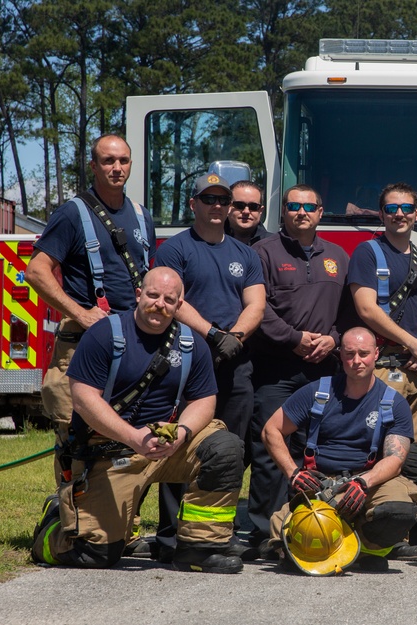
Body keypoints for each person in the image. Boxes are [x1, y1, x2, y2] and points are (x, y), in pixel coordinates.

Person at [31, 268, 244, 574]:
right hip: (107, 450)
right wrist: (133, 438)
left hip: (163, 442)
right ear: (138, 295)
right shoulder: (104, 335)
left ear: (179, 304)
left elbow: (204, 400)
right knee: (96, 555)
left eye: (169, 299)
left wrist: (182, 433)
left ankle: (200, 547)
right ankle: (52, 526)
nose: (160, 304)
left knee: (223, 447)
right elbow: (84, 399)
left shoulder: (190, 343)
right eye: (153, 295)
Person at [28, 134, 156, 484]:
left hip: (131, 345)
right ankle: (72, 524)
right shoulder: (73, 213)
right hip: (85, 344)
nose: (117, 168)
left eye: (123, 161)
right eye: (107, 161)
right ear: (93, 166)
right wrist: (82, 313)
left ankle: (116, 529)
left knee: (124, 441)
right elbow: (36, 271)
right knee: (78, 438)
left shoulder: (143, 216)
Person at [153, 173, 265, 558]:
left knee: (229, 449)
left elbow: (256, 303)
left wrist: (234, 338)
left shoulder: (245, 253)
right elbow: (171, 299)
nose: (217, 206)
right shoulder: (175, 248)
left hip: (236, 363)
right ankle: (170, 536)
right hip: (185, 362)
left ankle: (215, 531)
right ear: (193, 204)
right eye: (208, 199)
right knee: (178, 443)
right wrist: (214, 335)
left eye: (223, 200)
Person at [262, 327, 417, 572]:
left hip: (366, 483)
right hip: (321, 485)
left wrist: (363, 482)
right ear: (340, 355)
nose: (356, 361)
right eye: (349, 354)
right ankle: (302, 544)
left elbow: (395, 459)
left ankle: (367, 551)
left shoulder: (394, 403)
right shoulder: (318, 392)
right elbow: (271, 430)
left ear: (376, 354)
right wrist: (293, 473)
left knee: (399, 508)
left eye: (363, 353)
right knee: (285, 530)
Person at [246, 184, 349, 548]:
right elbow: (259, 311)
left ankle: (310, 526)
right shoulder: (263, 253)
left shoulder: (338, 255)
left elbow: (347, 313)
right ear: (283, 212)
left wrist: (333, 339)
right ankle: (264, 532)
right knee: (271, 449)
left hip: (323, 369)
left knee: (314, 447)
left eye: (309, 206)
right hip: (276, 369)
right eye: (294, 206)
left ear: (321, 213)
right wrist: (295, 339)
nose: (301, 212)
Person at [346, 182, 417, 481]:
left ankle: (403, 520)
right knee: (375, 449)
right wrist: (413, 344)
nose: (400, 214)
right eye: (392, 209)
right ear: (382, 215)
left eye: (407, 208)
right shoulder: (367, 253)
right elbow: (366, 309)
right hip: (382, 371)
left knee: (410, 458)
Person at [226, 180, 274, 245]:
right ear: (228, 207)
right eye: (240, 205)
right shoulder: (211, 240)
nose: (246, 211)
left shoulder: (273, 244)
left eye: (253, 206)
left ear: (260, 211)